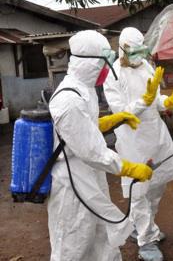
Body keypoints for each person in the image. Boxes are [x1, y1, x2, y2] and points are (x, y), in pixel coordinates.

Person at [48, 30, 153, 261]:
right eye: (103, 63)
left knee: (103, 240)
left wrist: (116, 118)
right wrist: (129, 168)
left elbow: (87, 127)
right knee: (74, 245)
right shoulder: (68, 100)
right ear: (89, 64)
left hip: (89, 177)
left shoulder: (83, 90)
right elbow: (92, 151)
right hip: (72, 184)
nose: (107, 69)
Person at [104, 27, 173, 261]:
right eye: (134, 51)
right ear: (123, 49)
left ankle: (142, 227)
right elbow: (120, 112)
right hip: (132, 137)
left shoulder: (147, 67)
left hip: (156, 134)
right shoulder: (114, 75)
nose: (139, 56)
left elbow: (155, 100)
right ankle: (146, 242)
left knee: (157, 185)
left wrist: (167, 101)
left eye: (142, 50)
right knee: (138, 191)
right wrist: (144, 101)